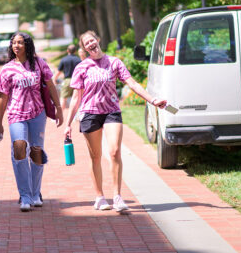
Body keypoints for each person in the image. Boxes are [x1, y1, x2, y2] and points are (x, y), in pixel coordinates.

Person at [64, 30, 167, 212]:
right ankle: (99, 197)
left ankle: (117, 197)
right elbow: (75, 98)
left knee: (114, 151)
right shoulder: (82, 67)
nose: (90, 44)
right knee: (95, 156)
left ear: (98, 39)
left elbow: (132, 83)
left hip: (111, 111)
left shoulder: (114, 62)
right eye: (86, 43)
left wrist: (153, 100)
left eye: (92, 40)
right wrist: (68, 124)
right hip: (89, 113)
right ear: (84, 48)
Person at [0, 32, 64, 212]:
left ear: (27, 45)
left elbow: (50, 86)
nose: (16, 46)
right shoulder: (7, 69)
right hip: (16, 114)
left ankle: (35, 193)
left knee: (36, 152)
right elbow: (3, 97)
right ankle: (24, 195)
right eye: (13, 43)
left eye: (20, 42)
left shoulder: (39, 63)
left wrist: (58, 108)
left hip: (37, 113)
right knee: (19, 149)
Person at [52, 44, 82, 109]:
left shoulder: (64, 59)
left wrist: (54, 79)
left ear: (67, 51)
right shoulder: (78, 60)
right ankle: (76, 116)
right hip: (77, 80)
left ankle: (60, 114)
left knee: (63, 98)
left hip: (67, 81)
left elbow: (59, 71)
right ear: (75, 51)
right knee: (76, 99)